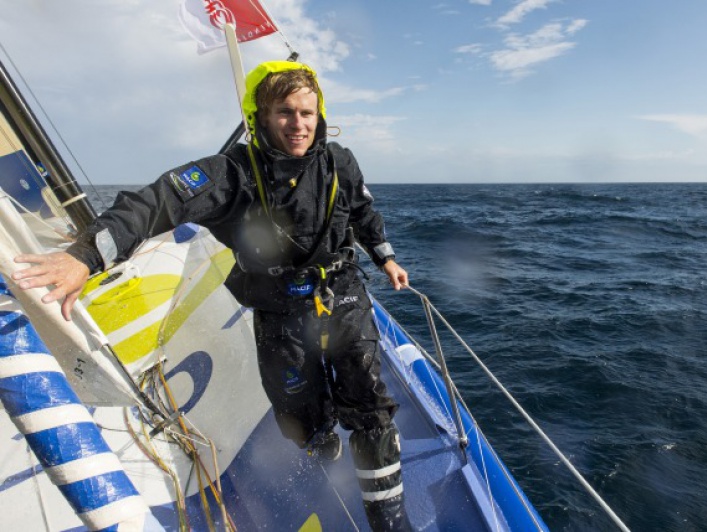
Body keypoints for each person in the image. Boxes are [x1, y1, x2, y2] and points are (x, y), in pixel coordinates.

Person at [12, 60, 412, 531]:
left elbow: (362, 210)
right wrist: (87, 255)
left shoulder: (338, 160)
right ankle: (321, 436)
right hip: (278, 306)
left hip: (341, 292)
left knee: (370, 405)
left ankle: (391, 521)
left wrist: (385, 256)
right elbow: (156, 202)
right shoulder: (230, 174)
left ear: (319, 112)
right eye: (285, 111)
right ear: (260, 116)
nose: (298, 124)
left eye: (307, 111)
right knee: (298, 412)